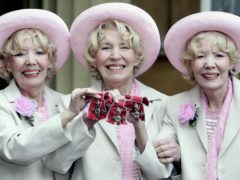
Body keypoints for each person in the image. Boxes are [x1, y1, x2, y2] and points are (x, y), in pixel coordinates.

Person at [42, 2, 180, 180]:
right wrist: (87, 120)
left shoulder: (163, 103)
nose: (115, 56)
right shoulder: (70, 104)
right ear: (94, 57)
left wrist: (139, 127)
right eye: (105, 48)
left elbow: (160, 174)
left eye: (124, 47)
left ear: (137, 56)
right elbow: (57, 165)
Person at [0, 9, 100, 180]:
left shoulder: (62, 101)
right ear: (8, 63)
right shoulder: (2, 102)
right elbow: (14, 150)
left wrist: (86, 122)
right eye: (19, 54)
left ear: (50, 60)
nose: (31, 61)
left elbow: (62, 164)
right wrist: (67, 115)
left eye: (40, 52)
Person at [154, 11, 240, 180]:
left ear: (231, 61)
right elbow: (159, 154)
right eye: (200, 56)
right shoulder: (174, 105)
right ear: (189, 64)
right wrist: (176, 156)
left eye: (219, 55)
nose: (209, 64)